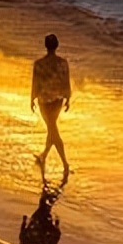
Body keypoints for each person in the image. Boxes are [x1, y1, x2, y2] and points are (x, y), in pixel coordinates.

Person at [31, 33, 71, 180]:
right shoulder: (63, 63)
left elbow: (35, 83)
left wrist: (31, 99)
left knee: (52, 129)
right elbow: (66, 81)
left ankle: (65, 164)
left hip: (44, 100)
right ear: (57, 46)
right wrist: (68, 98)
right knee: (52, 128)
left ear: (45, 46)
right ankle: (44, 156)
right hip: (58, 100)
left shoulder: (39, 64)